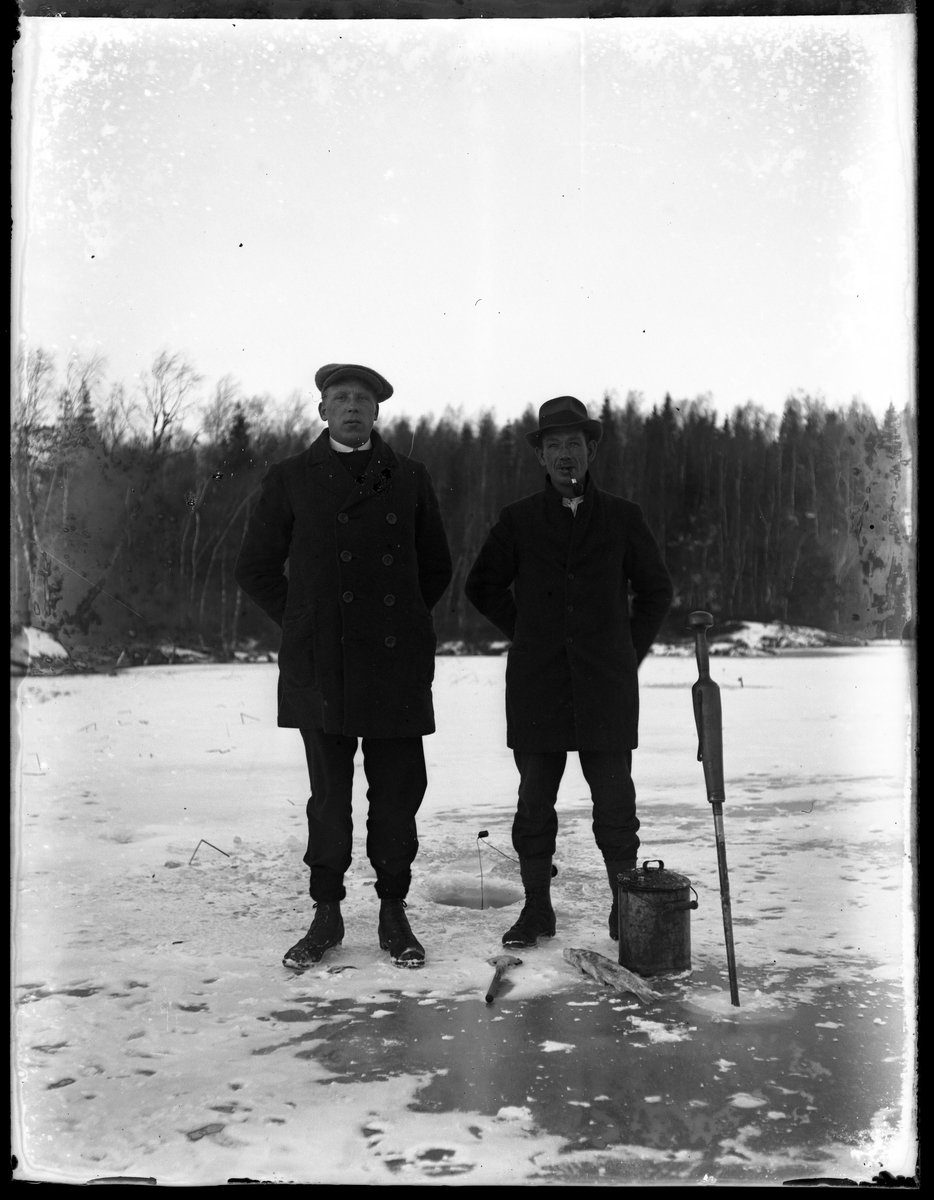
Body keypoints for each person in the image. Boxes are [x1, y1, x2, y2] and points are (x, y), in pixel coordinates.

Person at [235, 363, 452, 969]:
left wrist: (399, 619)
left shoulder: (408, 477)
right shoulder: (290, 479)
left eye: (363, 399)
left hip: (394, 661)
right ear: (322, 410)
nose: (352, 407)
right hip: (319, 662)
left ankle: (393, 912)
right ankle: (326, 914)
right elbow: (254, 568)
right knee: (328, 798)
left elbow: (435, 567)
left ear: (378, 412)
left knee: (397, 793)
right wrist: (305, 618)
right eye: (340, 398)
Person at [464, 396, 673, 948]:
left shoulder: (623, 518)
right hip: (538, 685)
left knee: (615, 804)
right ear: (540, 455)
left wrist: (626, 652)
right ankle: (537, 911)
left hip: (606, 687)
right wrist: (530, 632)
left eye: (573, 443)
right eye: (552, 444)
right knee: (535, 803)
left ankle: (623, 909)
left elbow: (656, 592)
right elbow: (480, 586)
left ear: (591, 449)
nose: (563, 454)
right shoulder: (518, 520)